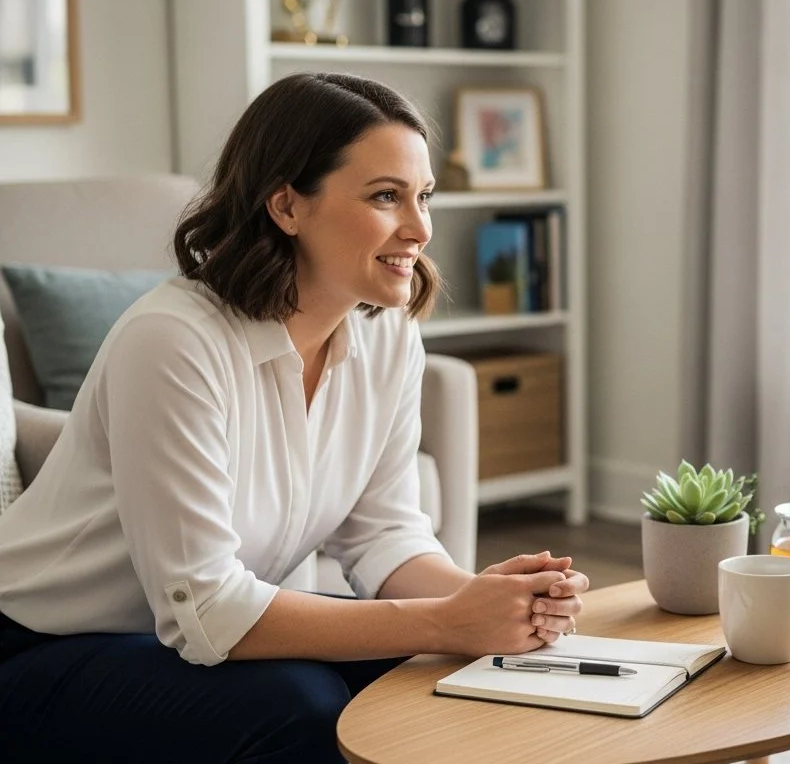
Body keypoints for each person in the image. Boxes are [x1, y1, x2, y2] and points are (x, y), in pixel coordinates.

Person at [0, 72, 589, 763]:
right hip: (41, 649)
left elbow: (384, 536)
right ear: (286, 204)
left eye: (423, 196)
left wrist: (492, 606)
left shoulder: (387, 332)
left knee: (447, 674)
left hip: (179, 636)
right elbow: (208, 610)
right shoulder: (173, 342)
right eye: (385, 196)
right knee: (299, 703)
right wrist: (444, 620)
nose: (421, 228)